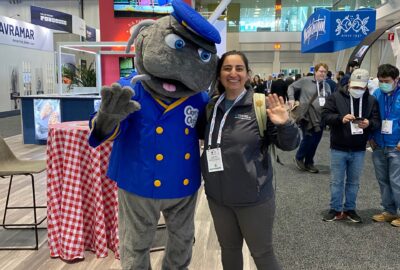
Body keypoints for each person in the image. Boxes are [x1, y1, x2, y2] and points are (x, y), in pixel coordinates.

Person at [201, 50, 300, 270]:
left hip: (253, 198)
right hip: (218, 198)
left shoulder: (261, 105)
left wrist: (286, 124)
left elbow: (290, 144)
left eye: (239, 68)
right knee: (229, 250)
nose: (233, 73)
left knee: (263, 254)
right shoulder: (212, 106)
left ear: (247, 74)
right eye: (227, 68)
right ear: (219, 74)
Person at [321, 69, 380, 223]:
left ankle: (350, 209)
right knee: (336, 181)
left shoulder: (371, 100)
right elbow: (325, 116)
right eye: (355, 87)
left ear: (366, 87)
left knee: (354, 182)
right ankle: (335, 209)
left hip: (359, 149)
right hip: (338, 147)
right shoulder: (335, 97)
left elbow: (376, 121)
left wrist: (369, 123)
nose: (358, 90)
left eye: (361, 88)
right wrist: (341, 118)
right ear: (349, 84)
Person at [369, 64, 400, 227]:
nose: (383, 84)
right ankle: (389, 211)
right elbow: (370, 116)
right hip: (379, 144)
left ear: (396, 80)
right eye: (380, 80)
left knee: (397, 180)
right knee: (383, 180)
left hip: (396, 145)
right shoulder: (376, 94)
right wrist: (370, 137)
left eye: (386, 81)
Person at [288, 63, 331, 173]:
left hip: (320, 117)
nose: (323, 73)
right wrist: (291, 98)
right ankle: (299, 157)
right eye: (321, 71)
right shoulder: (305, 81)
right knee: (308, 138)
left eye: (325, 72)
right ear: (315, 71)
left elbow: (329, 99)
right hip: (307, 115)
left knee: (316, 140)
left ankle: (309, 162)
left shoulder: (327, 86)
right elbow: (291, 87)